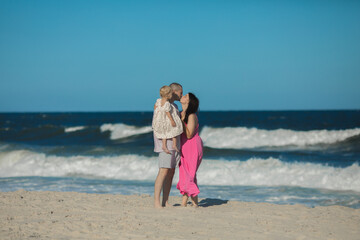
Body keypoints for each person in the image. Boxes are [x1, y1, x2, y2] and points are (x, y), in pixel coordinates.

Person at [153, 83, 183, 208]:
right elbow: (160, 123)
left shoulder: (174, 106)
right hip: (165, 143)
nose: (181, 95)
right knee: (163, 171)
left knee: (171, 172)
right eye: (180, 92)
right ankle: (156, 202)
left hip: (175, 143)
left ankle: (165, 201)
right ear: (174, 92)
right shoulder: (161, 104)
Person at [176, 92, 203, 207]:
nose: (183, 96)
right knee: (184, 172)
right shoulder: (181, 113)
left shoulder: (191, 115)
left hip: (192, 146)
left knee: (189, 174)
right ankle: (194, 202)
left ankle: (185, 202)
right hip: (184, 146)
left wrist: (181, 121)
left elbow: (189, 134)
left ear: (188, 101)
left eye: (186, 96)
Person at [152, 86, 183, 154]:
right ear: (169, 94)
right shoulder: (167, 103)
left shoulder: (158, 101)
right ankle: (174, 145)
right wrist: (172, 120)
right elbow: (167, 112)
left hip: (160, 119)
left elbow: (155, 108)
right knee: (174, 130)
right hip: (166, 119)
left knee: (164, 133)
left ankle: (164, 146)